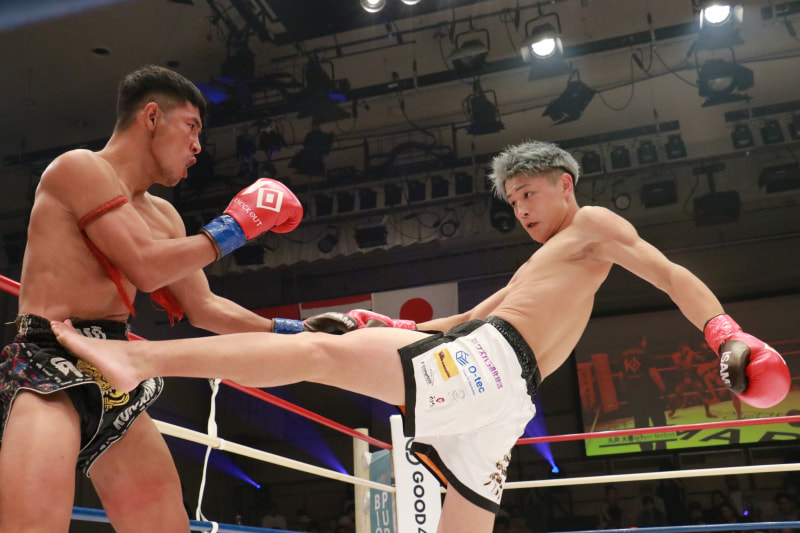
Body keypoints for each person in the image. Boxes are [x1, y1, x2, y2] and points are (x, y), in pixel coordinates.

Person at [48, 140, 791, 533]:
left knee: (317, 356)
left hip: (494, 371)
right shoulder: (544, 265)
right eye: (513, 201)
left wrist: (726, 334)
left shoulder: (592, 225)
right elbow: (460, 323)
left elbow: (669, 273)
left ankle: (139, 358)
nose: (522, 209)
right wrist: (380, 325)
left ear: (566, 184)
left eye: (530, 193)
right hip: (504, 400)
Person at [0, 65, 303, 532]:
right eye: (191, 127)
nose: (198, 146)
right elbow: (143, 264)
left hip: (115, 367)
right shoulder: (79, 168)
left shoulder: (163, 216)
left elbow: (205, 308)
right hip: (48, 362)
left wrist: (296, 330)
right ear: (153, 116)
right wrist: (236, 226)